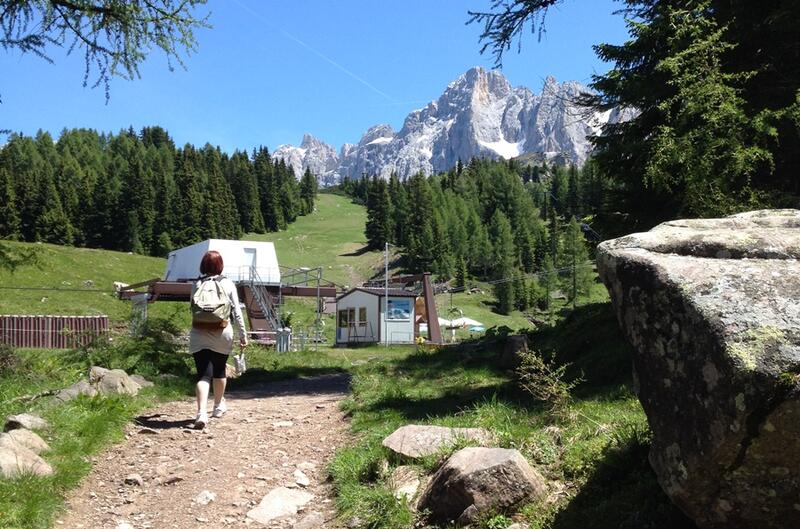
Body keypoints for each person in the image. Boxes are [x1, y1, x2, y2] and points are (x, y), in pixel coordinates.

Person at [189, 250, 248, 429]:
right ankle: (217, 406)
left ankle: (201, 413)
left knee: (203, 374)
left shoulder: (196, 284)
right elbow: (237, 312)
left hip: (198, 332)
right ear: (220, 265)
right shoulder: (228, 284)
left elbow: (191, 307)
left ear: (203, 265)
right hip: (222, 332)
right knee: (219, 370)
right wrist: (243, 336)